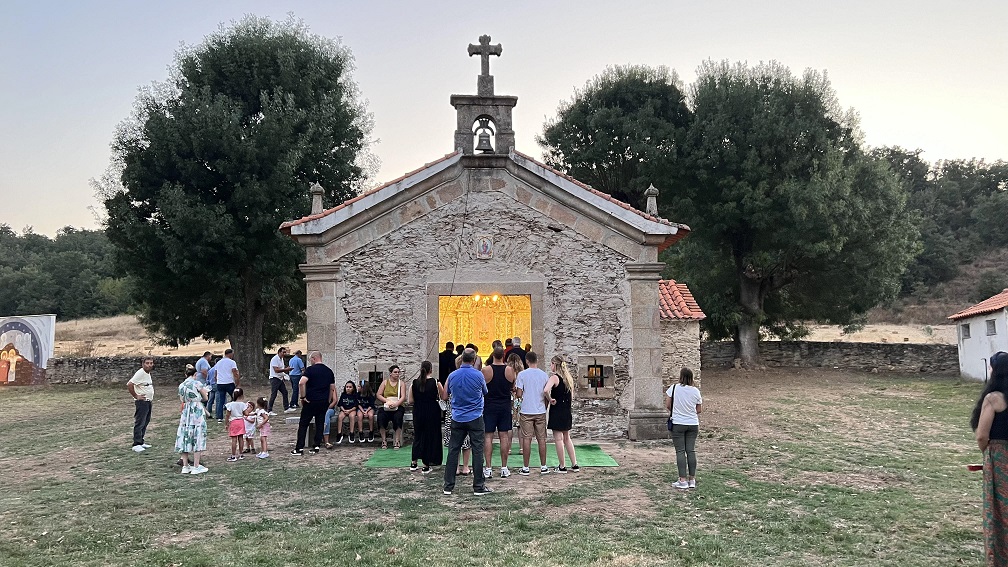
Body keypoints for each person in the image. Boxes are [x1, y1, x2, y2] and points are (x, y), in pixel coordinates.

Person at [971, 351, 1008, 564]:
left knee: (999, 510)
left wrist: (988, 453)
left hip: (999, 457)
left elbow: (982, 435)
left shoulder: (993, 399)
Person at [443, 348, 492, 496]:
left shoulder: (452, 375)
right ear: (474, 359)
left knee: (453, 450)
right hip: (475, 416)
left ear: (462, 358)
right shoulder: (478, 375)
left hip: (457, 416)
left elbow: (445, 395)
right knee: (477, 451)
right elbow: (485, 392)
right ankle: (478, 486)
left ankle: (448, 486)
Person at [481, 346, 516, 479]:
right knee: (504, 437)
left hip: (489, 406)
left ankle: (488, 468)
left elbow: (481, 388)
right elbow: (513, 387)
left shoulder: (486, 370)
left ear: (493, 355)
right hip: (504, 406)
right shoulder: (510, 370)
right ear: (503, 356)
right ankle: (504, 467)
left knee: (488, 437)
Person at [292, 351, 336, 455]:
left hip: (311, 401)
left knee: (303, 424)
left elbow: (301, 382)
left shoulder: (310, 370)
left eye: (310, 359)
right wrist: (328, 400)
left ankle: (299, 448)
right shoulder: (329, 371)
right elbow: (332, 388)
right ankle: (316, 446)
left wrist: (303, 396)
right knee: (320, 423)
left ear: (314, 358)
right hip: (323, 401)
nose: (310, 361)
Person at [666, 367, 703, 490]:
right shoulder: (695, 391)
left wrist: (678, 411)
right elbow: (699, 409)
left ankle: (682, 480)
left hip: (678, 423)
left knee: (680, 451)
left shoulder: (674, 388)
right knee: (691, 450)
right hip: (693, 423)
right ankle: (692, 479)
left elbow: (668, 405)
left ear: (680, 376)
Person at [515, 351, 550, 475]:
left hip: (526, 410)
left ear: (527, 361)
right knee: (542, 438)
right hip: (540, 409)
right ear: (537, 361)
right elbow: (546, 394)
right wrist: (544, 407)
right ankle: (544, 466)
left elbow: (519, 394)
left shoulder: (522, 374)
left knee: (526, 438)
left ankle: (526, 467)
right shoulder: (544, 375)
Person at [544, 355, 578, 473]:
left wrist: (550, 399)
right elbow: (572, 396)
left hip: (557, 410)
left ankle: (562, 466)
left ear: (555, 364)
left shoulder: (554, 378)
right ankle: (574, 464)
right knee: (567, 438)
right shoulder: (568, 378)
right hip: (566, 410)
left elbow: (545, 390)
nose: (550, 366)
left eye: (551, 364)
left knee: (558, 439)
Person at [410, 360, 445, 473]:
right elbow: (444, 396)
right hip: (432, 411)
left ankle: (414, 462)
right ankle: (426, 464)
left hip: (418, 410)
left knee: (418, 436)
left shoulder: (414, 383)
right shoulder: (435, 382)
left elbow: (410, 400)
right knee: (429, 436)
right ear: (431, 369)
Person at [174, 364, 209, 474]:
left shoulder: (181, 385)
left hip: (186, 410)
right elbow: (205, 397)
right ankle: (196, 465)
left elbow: (182, 399)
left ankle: (185, 466)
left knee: (185, 434)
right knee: (197, 434)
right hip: (196, 410)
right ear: (195, 374)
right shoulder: (197, 383)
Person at [127, 357, 155, 452]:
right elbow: (130, 384)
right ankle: (136, 443)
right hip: (142, 402)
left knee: (145, 421)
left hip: (148, 401)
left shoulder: (147, 374)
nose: (149, 365)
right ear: (143, 364)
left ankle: (141, 441)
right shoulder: (140, 373)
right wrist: (136, 396)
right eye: (147, 363)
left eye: (151, 363)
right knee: (140, 422)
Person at [376, 365, 406, 449]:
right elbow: (378, 394)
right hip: (387, 405)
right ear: (390, 373)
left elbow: (403, 397)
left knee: (398, 417)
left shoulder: (401, 383)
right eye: (395, 372)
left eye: (398, 372)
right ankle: (384, 440)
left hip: (397, 405)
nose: (397, 374)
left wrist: (396, 404)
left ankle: (397, 440)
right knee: (381, 416)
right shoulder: (385, 382)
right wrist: (387, 401)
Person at [325, 381, 359, 447]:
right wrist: (344, 410)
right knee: (340, 417)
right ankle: (339, 433)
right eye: (347, 387)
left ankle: (351, 433)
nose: (348, 388)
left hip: (352, 410)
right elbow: (340, 404)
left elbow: (356, 406)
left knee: (352, 416)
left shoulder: (355, 396)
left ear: (353, 388)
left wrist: (349, 410)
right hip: (344, 409)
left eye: (350, 387)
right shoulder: (343, 395)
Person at [213, 349, 241, 423]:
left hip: (220, 383)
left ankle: (220, 417)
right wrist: (237, 382)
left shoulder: (218, 363)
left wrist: (217, 381)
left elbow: (215, 374)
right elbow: (235, 372)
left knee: (221, 400)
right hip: (229, 382)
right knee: (235, 398)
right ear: (230, 354)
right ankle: (236, 413)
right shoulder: (232, 362)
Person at [268, 347, 295, 415]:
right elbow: (276, 370)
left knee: (285, 392)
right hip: (274, 378)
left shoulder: (281, 359)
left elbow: (281, 369)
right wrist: (286, 369)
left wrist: (284, 375)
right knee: (274, 394)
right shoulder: (275, 359)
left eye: (285, 352)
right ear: (279, 352)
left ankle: (286, 408)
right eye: (283, 352)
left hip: (279, 378)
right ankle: (269, 410)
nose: (284, 354)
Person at [224, 388, 248, 462]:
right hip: (241, 421)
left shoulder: (230, 405)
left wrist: (226, 424)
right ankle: (241, 454)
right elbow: (246, 413)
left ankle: (233, 455)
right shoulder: (243, 404)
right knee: (241, 438)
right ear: (241, 396)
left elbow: (227, 415)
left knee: (234, 440)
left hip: (233, 422)